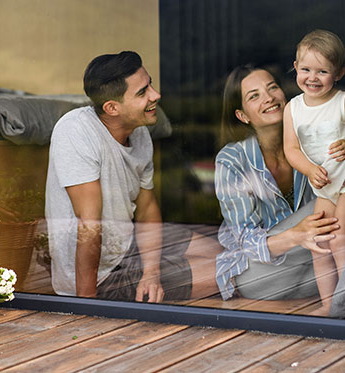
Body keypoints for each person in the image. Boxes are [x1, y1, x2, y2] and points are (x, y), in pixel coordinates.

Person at [46, 51, 222, 302]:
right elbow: (89, 226)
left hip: (128, 242)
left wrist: (151, 272)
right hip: (100, 275)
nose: (156, 95)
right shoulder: (75, 131)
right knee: (225, 273)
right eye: (143, 92)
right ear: (112, 108)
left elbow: (147, 208)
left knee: (221, 254)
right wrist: (86, 307)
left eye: (150, 83)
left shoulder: (139, 133)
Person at [215, 64, 345, 314]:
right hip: (260, 276)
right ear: (242, 115)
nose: (268, 98)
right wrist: (297, 234)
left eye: (272, 88)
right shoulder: (232, 160)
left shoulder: (311, 140)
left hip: (312, 269)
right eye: (254, 96)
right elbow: (245, 240)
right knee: (330, 202)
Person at [282, 29, 345, 315]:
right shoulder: (293, 108)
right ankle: (328, 305)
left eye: (322, 71)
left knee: (339, 239)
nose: (312, 77)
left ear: (338, 73)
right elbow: (292, 150)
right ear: (296, 67)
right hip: (324, 188)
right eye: (307, 69)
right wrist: (310, 169)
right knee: (318, 243)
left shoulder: (343, 101)